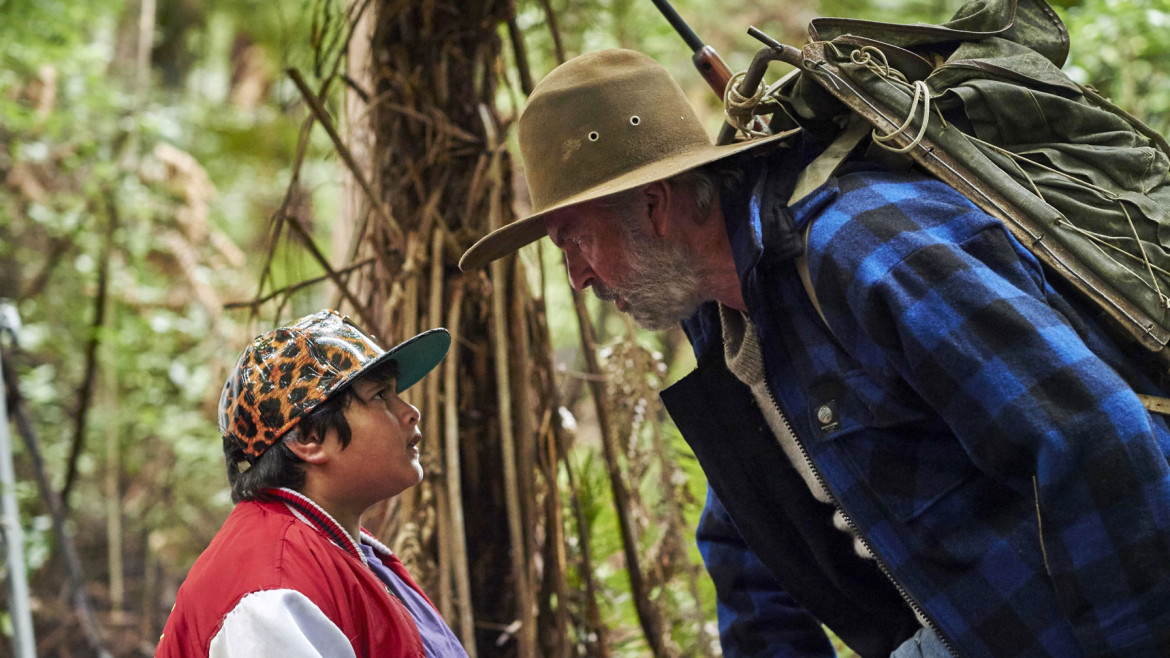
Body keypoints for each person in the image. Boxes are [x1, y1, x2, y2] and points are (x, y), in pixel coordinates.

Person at [458, 48, 1170, 657]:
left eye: (576, 240)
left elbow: (1092, 436)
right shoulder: (723, 320)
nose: (578, 278)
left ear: (654, 206)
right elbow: (751, 547)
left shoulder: (863, 249)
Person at [157, 309, 468, 657]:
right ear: (309, 437)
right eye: (380, 396)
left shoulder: (342, 551)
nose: (411, 412)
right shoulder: (270, 592)